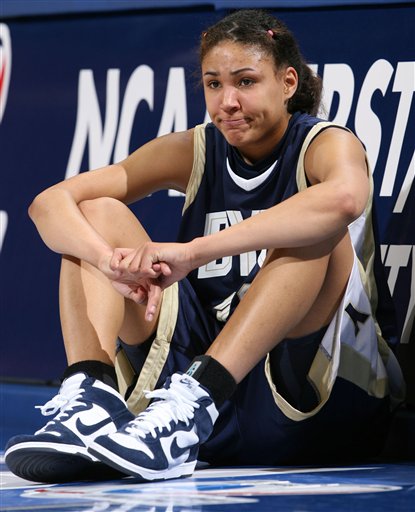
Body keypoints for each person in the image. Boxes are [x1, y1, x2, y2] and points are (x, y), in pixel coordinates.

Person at [5, 9, 404, 483]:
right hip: (190, 405)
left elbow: (344, 199)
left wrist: (195, 251)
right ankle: (91, 396)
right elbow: (49, 204)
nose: (228, 101)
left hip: (318, 401)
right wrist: (106, 262)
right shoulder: (198, 147)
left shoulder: (324, 142)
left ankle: (197, 400)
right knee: (95, 212)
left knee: (314, 230)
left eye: (246, 82)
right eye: (214, 85)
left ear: (288, 82)